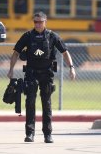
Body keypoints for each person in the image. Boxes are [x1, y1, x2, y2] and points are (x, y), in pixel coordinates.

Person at [7, 11, 76, 143]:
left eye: (40, 22)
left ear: (45, 22)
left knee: (47, 104)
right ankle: (30, 133)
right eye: (35, 22)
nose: (38, 24)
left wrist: (71, 68)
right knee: (30, 102)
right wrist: (11, 69)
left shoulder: (52, 36)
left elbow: (65, 52)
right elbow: (16, 53)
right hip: (31, 73)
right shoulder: (27, 36)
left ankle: (48, 134)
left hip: (47, 73)